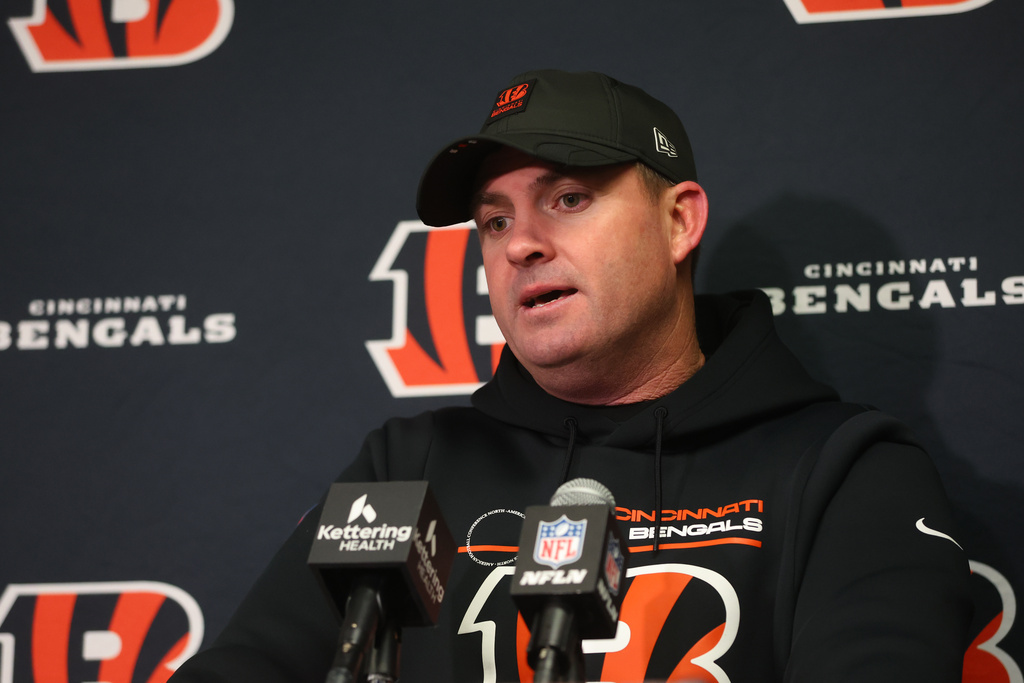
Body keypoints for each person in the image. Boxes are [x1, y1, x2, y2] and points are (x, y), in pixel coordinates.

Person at [170, 69, 972, 682]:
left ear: (680, 220)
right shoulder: (408, 469)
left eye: (568, 198)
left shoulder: (844, 470)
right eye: (494, 220)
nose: (519, 244)